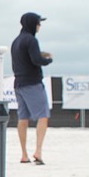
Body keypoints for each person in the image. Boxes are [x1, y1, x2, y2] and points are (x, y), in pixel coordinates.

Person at [10, 13, 52, 165]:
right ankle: (38, 151)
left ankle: (24, 154)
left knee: (23, 118)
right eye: (38, 23)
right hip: (32, 82)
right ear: (33, 24)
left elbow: (24, 58)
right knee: (43, 115)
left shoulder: (16, 41)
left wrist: (40, 55)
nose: (39, 26)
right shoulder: (31, 40)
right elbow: (35, 60)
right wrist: (48, 60)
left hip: (18, 83)